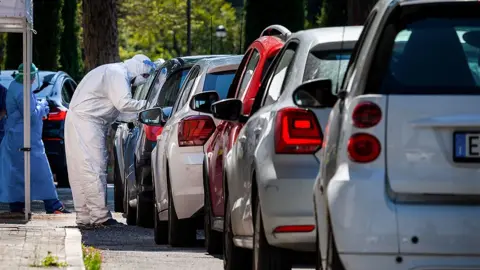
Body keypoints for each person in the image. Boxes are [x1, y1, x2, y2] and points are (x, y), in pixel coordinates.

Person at [65, 54, 156, 227]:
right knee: (94, 167)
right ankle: (100, 217)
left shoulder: (112, 71)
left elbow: (118, 110)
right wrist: (148, 105)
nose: (141, 82)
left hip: (80, 120)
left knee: (81, 169)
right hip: (87, 122)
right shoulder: (118, 74)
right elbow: (123, 104)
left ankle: (85, 217)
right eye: (144, 76)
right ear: (138, 69)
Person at [0, 63, 70, 214]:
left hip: (17, 137)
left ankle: (17, 206)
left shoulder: (15, 86)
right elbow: (31, 116)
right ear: (31, 76)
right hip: (24, 138)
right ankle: (53, 204)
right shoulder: (22, 90)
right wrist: (42, 105)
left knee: (18, 173)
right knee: (41, 171)